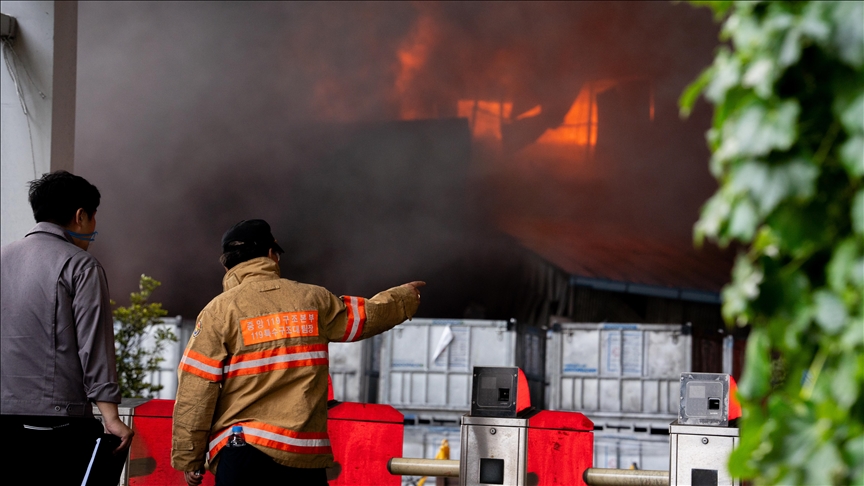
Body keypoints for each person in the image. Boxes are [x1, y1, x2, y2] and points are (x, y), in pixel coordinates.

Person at [171, 219, 424, 486]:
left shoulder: (218, 312)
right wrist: (405, 297)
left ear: (227, 265)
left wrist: (190, 457)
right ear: (272, 255)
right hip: (303, 458)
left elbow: (196, 389)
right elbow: (365, 318)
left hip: (243, 452)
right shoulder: (313, 300)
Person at [0, 170, 134, 485]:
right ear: (80, 216)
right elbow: (95, 346)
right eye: (94, 218)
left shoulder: (1, 258)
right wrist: (112, 418)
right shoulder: (81, 265)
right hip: (59, 425)